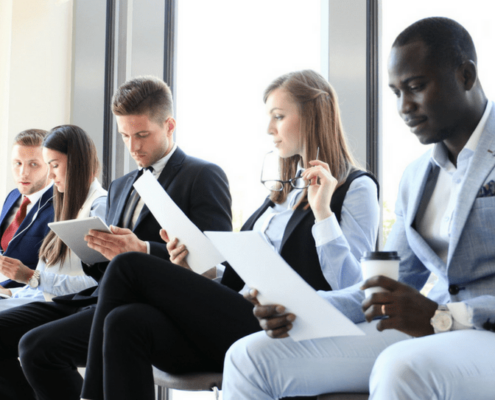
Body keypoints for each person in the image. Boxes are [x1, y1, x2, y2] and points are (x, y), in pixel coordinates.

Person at [222, 17, 495, 400]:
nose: (404, 107)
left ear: (466, 75)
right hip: (434, 324)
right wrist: (301, 308)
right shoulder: (417, 178)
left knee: (401, 368)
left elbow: (431, 311)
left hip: (484, 332)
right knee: (249, 356)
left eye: (416, 87)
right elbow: (385, 287)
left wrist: (442, 316)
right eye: (396, 92)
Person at [79, 69, 379, 400]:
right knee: (125, 321)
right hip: (240, 310)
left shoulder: (355, 188)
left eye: (279, 116)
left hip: (284, 323)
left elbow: (355, 287)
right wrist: (204, 270)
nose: (269, 129)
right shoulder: (280, 192)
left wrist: (322, 214)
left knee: (129, 266)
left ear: (312, 115)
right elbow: (242, 277)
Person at [0, 76, 233, 400]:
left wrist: (144, 250)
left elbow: (219, 261)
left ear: (169, 126)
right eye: (125, 136)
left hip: (159, 308)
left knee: (38, 346)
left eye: (142, 135)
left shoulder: (202, 175)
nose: (134, 147)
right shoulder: (123, 186)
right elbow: (104, 270)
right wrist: (96, 249)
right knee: (29, 344)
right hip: (99, 299)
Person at [0, 125, 107, 310]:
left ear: (77, 164)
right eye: (49, 166)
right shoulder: (68, 204)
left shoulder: (98, 206)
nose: (50, 175)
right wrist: (11, 293)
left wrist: (29, 277)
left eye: (55, 165)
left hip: (61, 305)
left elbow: (96, 283)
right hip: (34, 297)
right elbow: (40, 282)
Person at [0, 129, 54, 290]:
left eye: (33, 164)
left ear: (50, 166)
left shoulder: (61, 207)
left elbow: (54, 275)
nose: (23, 173)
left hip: (22, 293)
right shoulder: (13, 195)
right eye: (18, 163)